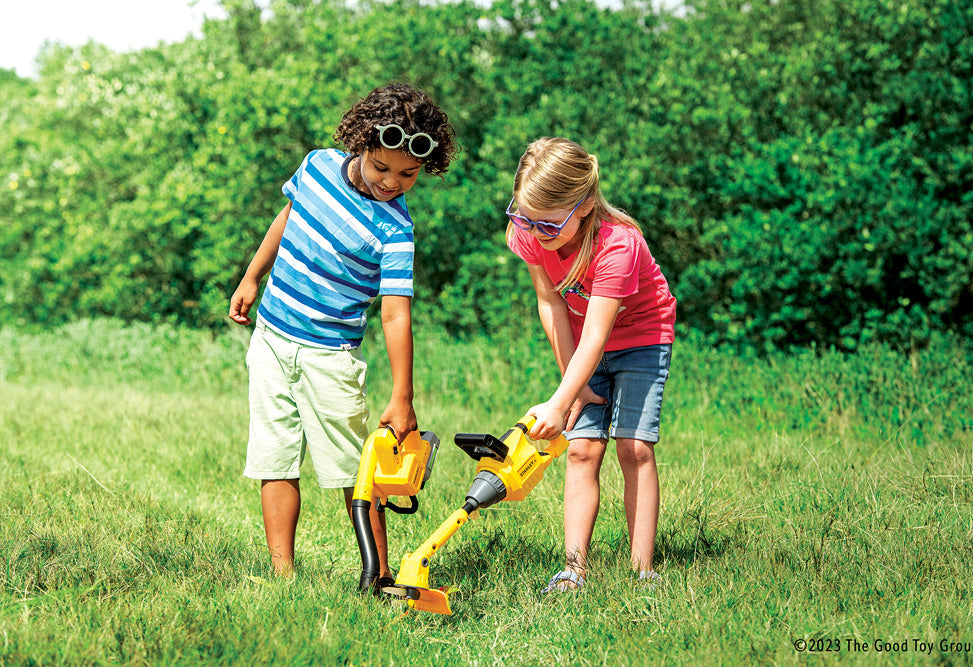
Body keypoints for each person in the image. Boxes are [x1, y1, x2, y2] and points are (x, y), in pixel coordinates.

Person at [228, 83, 456, 580]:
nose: (391, 182)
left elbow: (396, 314)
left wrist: (403, 396)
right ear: (360, 144)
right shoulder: (315, 166)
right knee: (275, 457)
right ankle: (282, 574)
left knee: (359, 474)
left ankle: (378, 577)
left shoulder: (396, 230)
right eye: (382, 167)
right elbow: (287, 217)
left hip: (329, 356)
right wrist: (252, 276)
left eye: (408, 174)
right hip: (270, 337)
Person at [505, 137, 676, 592]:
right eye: (523, 216)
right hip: (583, 346)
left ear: (581, 205)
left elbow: (601, 332)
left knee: (634, 448)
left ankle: (643, 571)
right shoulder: (529, 231)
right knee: (581, 449)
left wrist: (558, 402)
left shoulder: (618, 245)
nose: (532, 230)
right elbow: (551, 304)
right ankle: (573, 569)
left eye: (546, 223)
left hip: (641, 337)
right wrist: (571, 387)